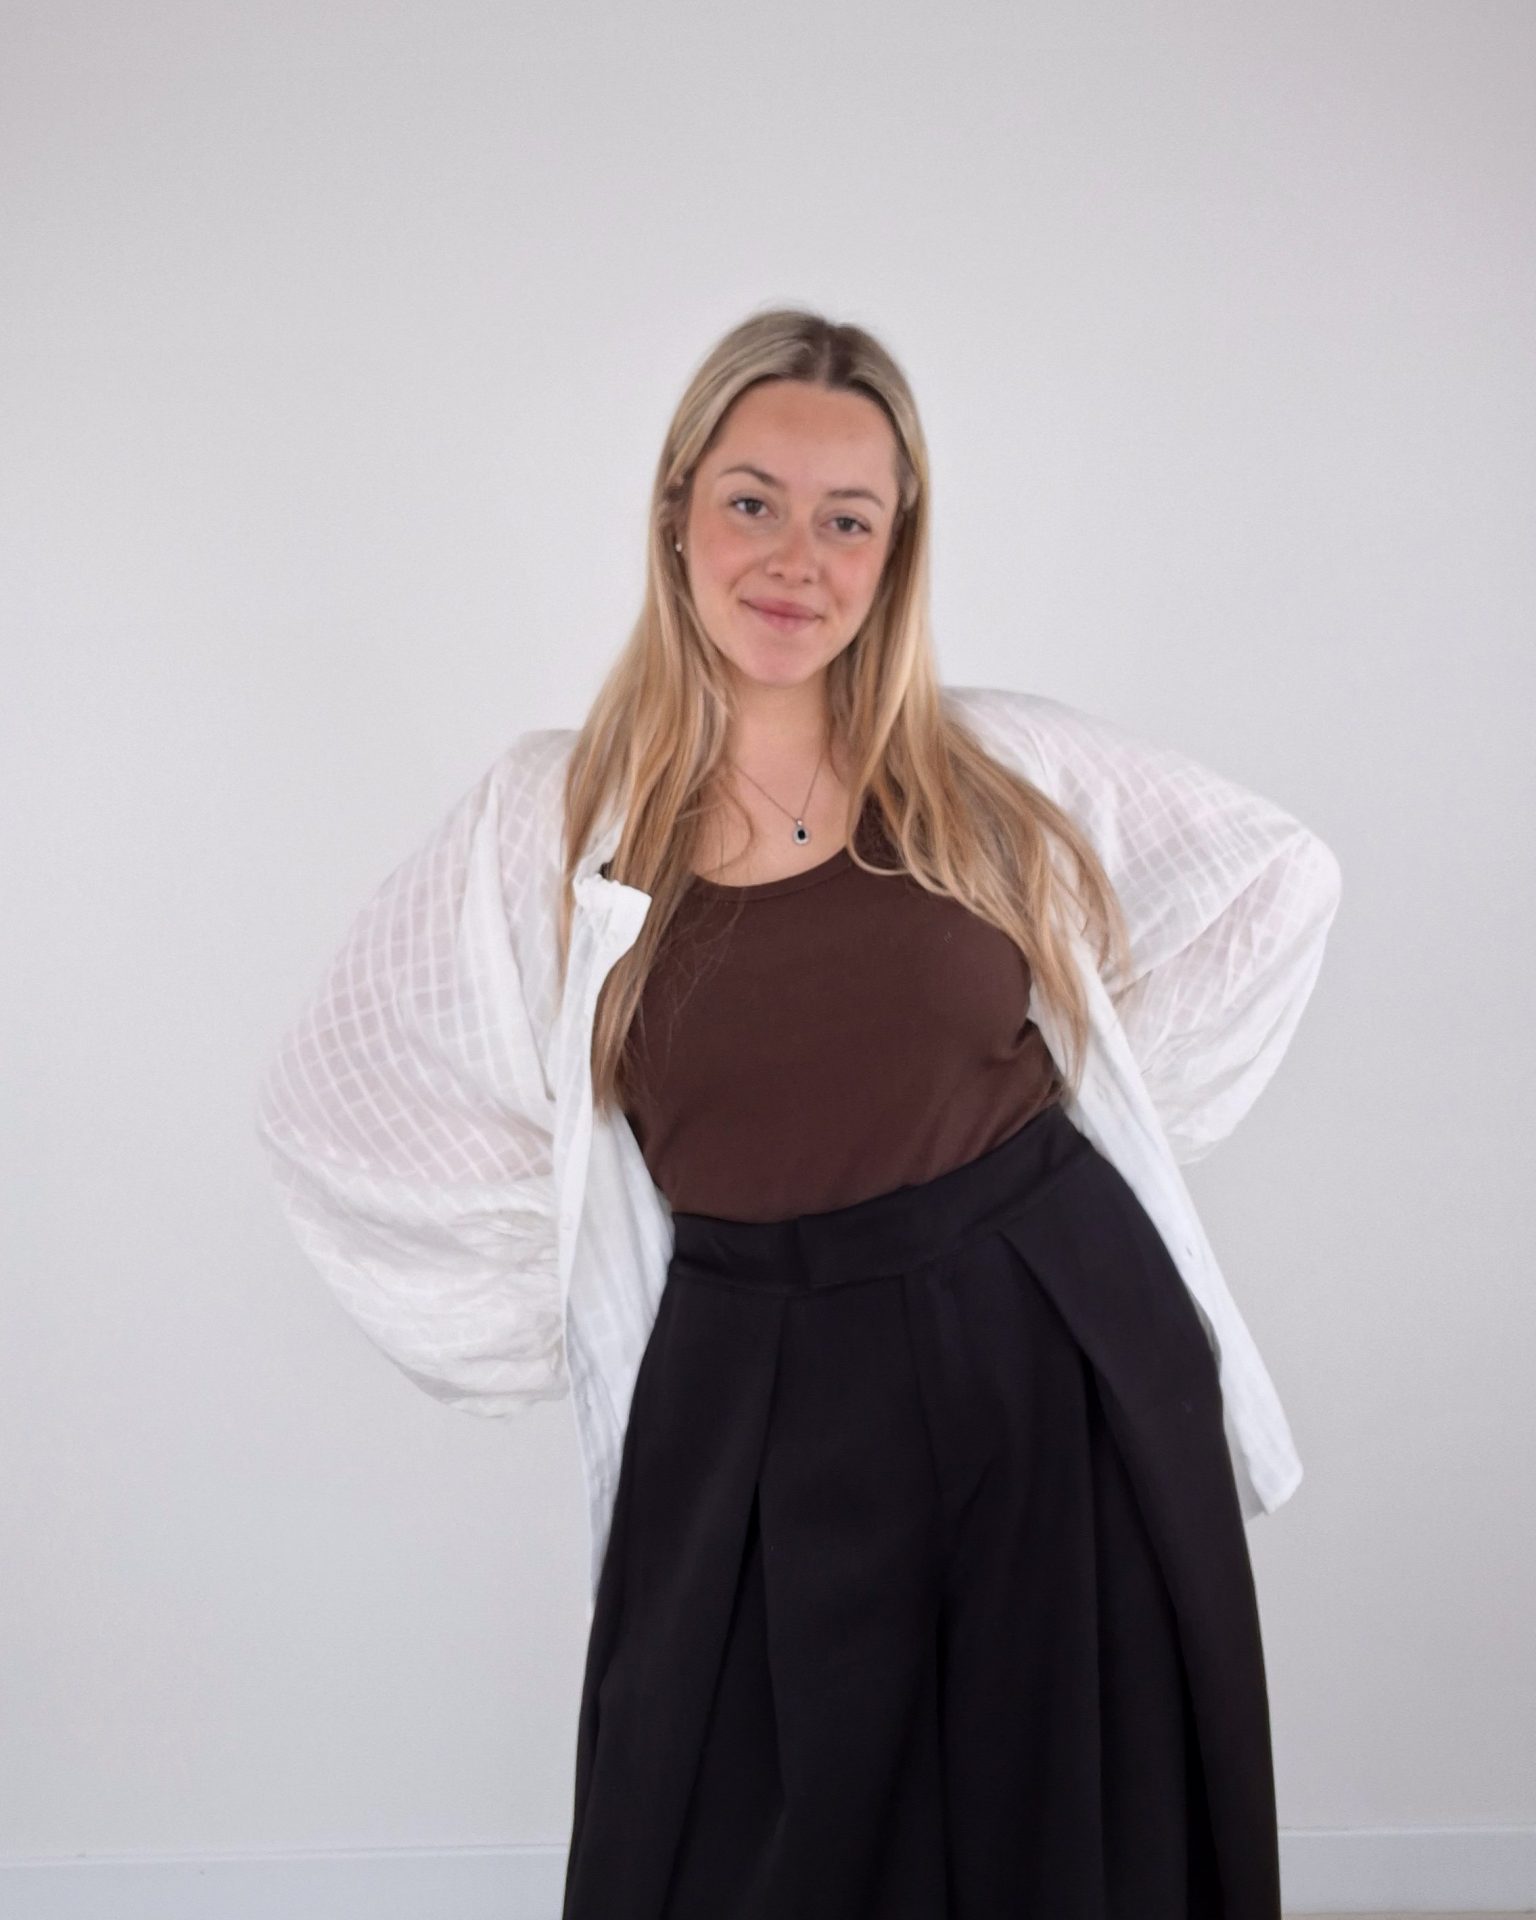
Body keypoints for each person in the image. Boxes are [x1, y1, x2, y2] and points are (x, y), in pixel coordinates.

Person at [254, 307, 1342, 1919]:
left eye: (849, 522)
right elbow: (339, 1101)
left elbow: (1271, 880)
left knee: (1068, 1838)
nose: (795, 560)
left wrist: (1094, 1144)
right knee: (731, 1834)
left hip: (1050, 1347)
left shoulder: (989, 774)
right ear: (676, 511)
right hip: (749, 1384)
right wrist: (543, 1296)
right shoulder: (556, 820)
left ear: (894, 556)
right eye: (754, 501)